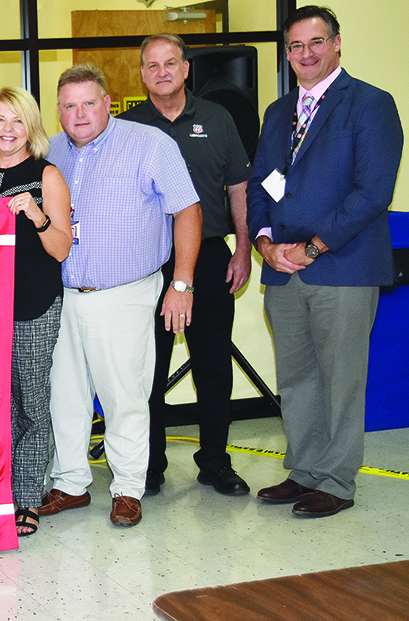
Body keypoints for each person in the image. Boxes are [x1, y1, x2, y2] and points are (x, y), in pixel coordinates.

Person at [248, 6, 403, 518]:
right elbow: (259, 186)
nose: (306, 54)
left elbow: (373, 192)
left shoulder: (370, 104)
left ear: (337, 43)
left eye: (316, 43)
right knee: (296, 376)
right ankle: (306, 471)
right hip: (282, 269)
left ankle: (336, 481)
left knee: (341, 379)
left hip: (342, 266)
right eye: (295, 46)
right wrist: (267, 243)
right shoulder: (277, 112)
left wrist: (312, 247)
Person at [42, 64, 202, 527]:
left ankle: (128, 488)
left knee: (125, 395)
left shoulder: (150, 145)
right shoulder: (51, 152)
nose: (79, 114)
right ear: (59, 110)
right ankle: (70, 483)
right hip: (63, 295)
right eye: (69, 106)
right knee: (65, 395)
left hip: (125, 293)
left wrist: (183, 283)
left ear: (107, 102)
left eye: (88, 103)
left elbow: (188, 212)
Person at [117, 33, 252, 497]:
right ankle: (148, 466)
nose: (161, 72)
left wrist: (242, 249)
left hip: (213, 255)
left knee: (213, 366)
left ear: (186, 68)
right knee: (147, 370)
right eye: (151, 66)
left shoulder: (218, 118)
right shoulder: (128, 126)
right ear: (142, 74)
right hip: (148, 263)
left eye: (169, 63)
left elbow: (239, 186)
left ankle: (215, 463)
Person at [0, 87, 71, 536]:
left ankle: (27, 497)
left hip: (33, 304)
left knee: (30, 401)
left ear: (30, 127)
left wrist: (37, 215)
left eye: (17, 120)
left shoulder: (47, 176)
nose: (8, 130)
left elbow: (62, 248)